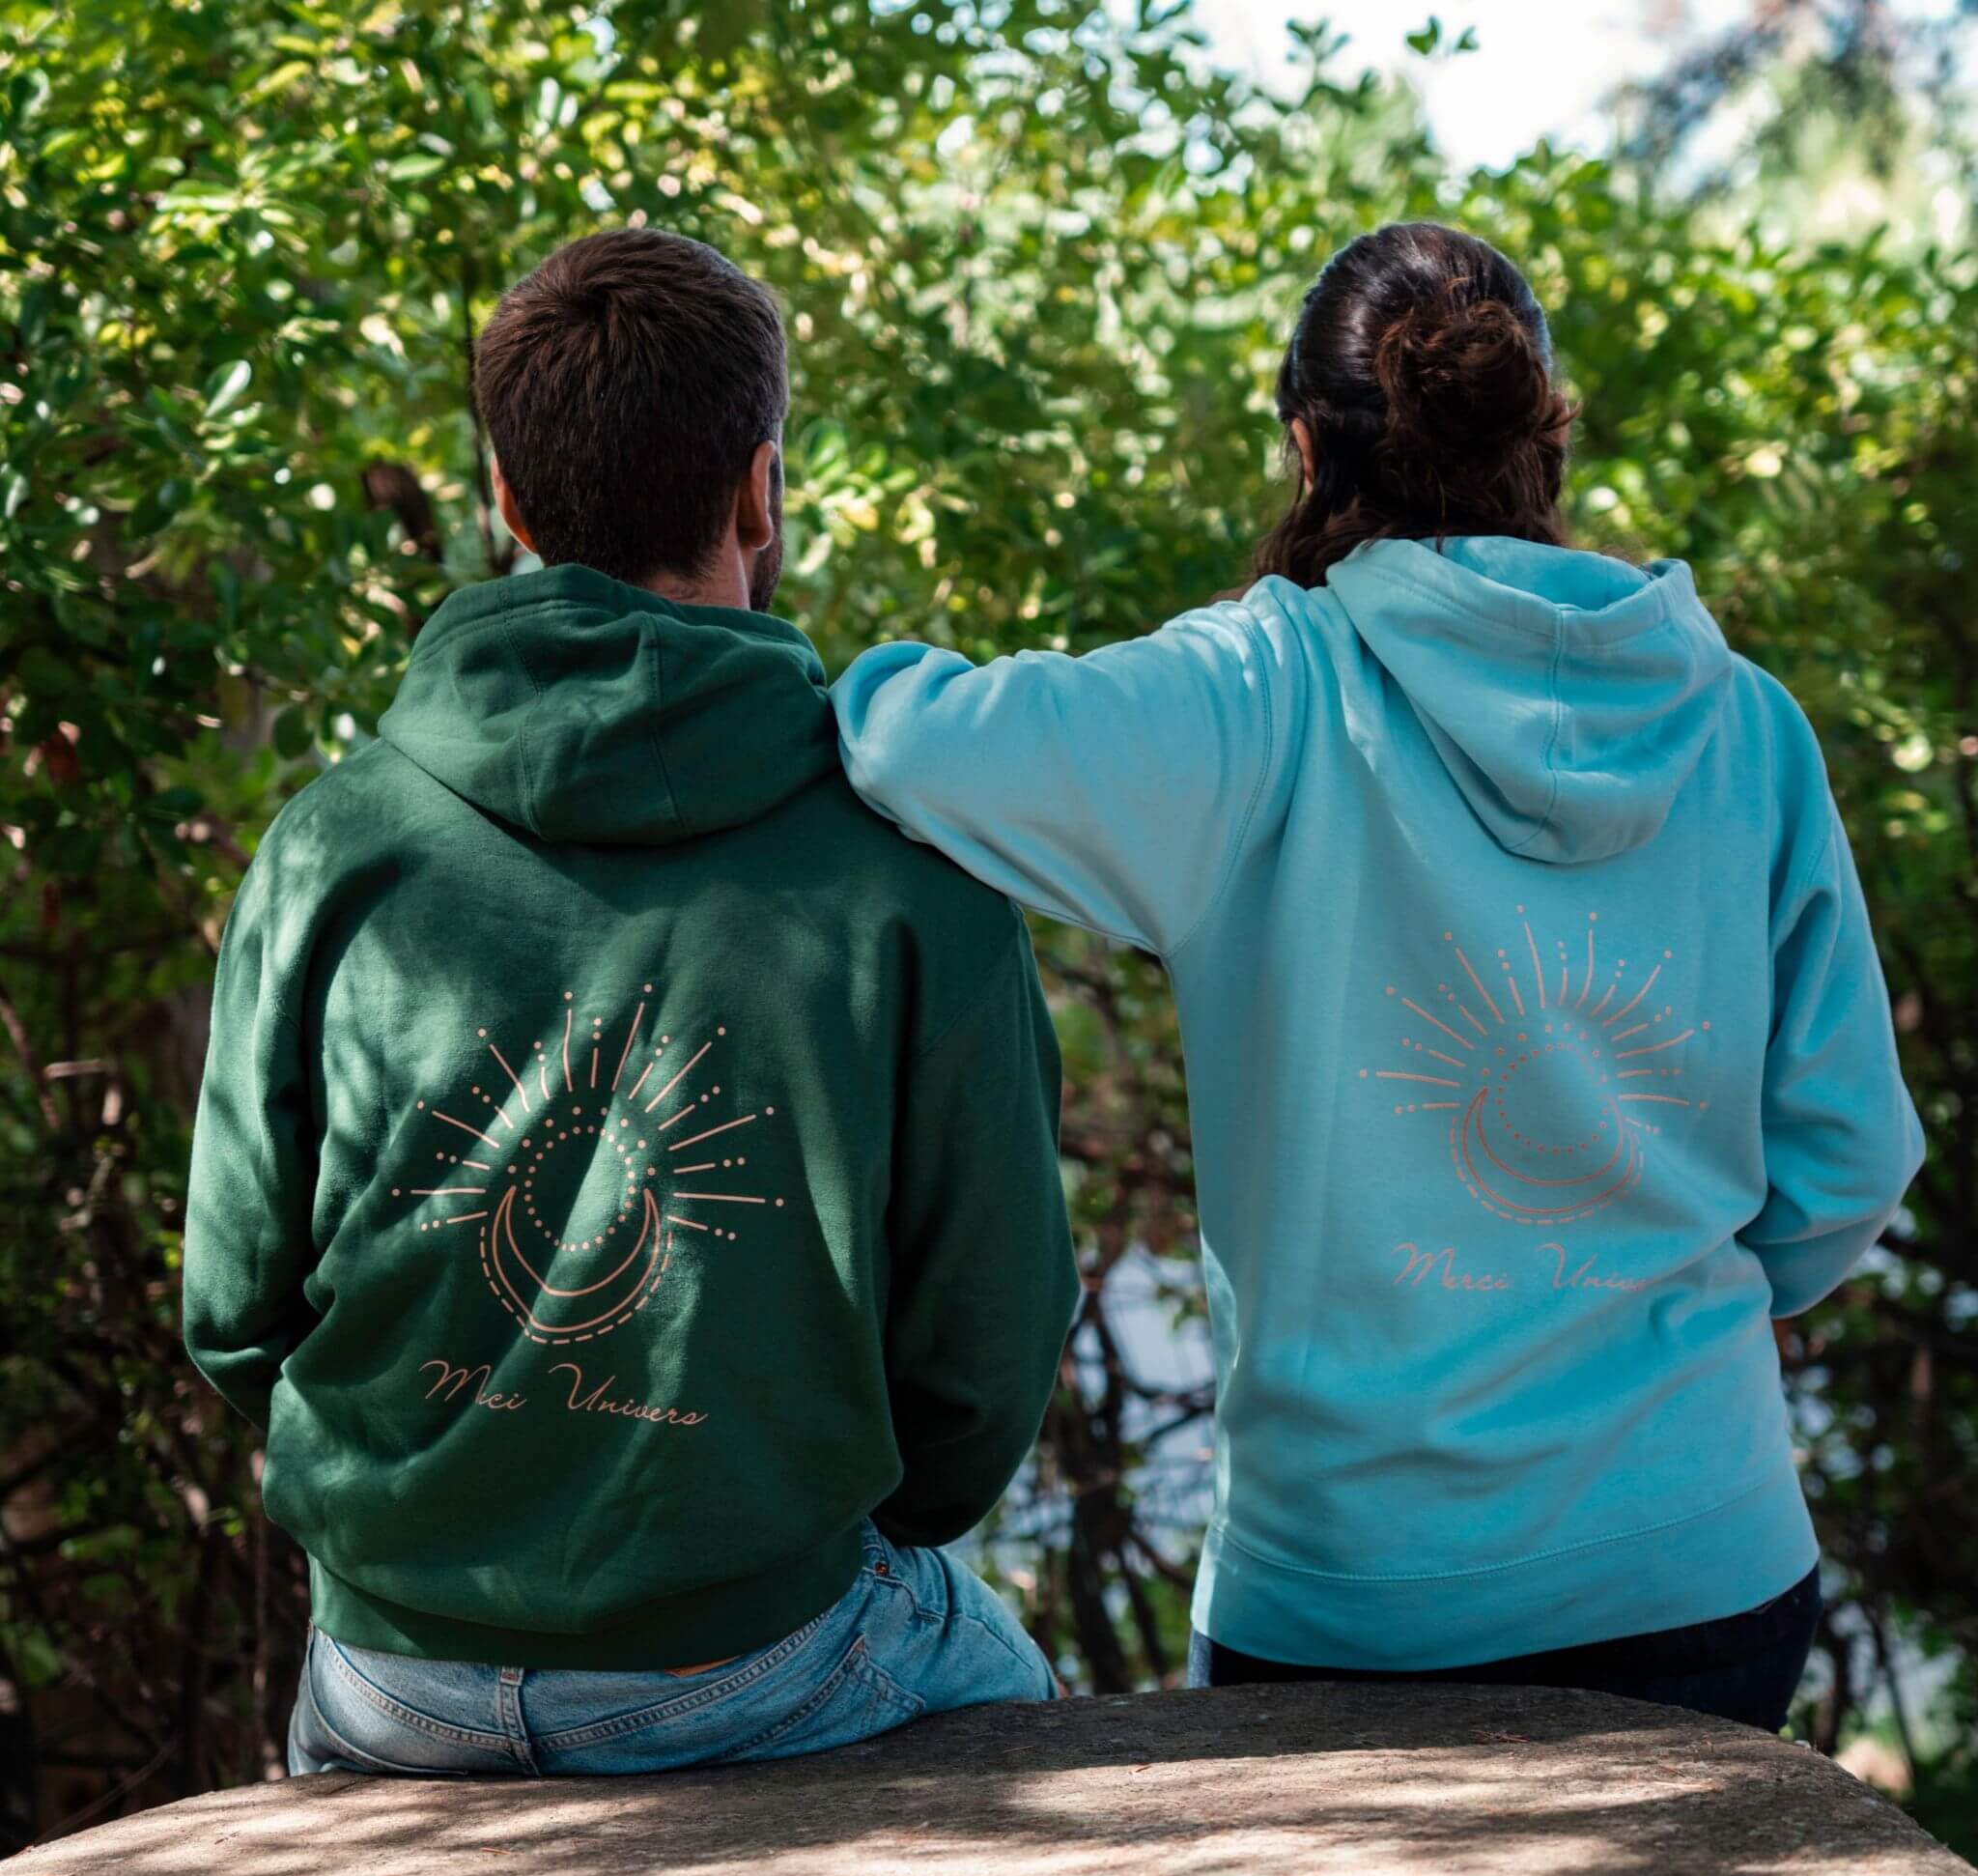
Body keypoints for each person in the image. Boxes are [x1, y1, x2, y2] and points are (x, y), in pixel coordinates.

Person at [831, 220, 1924, 1728]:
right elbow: (1851, 1159)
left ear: (1303, 441)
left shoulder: (1261, 692)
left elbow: (904, 742)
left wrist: (858, 669)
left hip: (1347, 1602)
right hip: (1707, 1565)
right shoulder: (1748, 726)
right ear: (1545, 429)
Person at [183, 228, 1078, 1777]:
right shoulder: (915, 878)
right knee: (1021, 1680)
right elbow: (984, 1361)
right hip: (765, 1654)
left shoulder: (333, 841)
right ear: (761, 489)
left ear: (507, 502)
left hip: (394, 1676)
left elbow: (231, 1310)